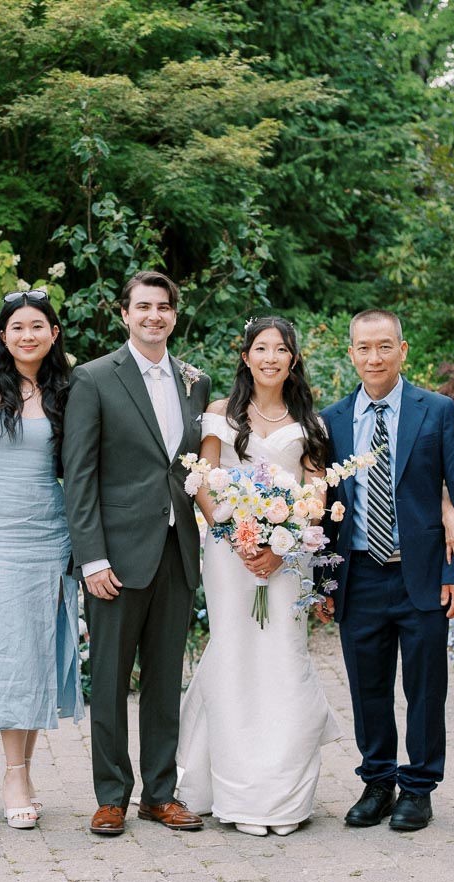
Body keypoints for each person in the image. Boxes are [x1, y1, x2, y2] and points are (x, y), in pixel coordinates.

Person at [175, 316, 341, 837]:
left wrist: (282, 537)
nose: (270, 357)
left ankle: (279, 797)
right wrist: (233, 527)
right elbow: (202, 479)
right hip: (229, 555)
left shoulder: (310, 423)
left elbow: (316, 494)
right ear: (245, 355)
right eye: (261, 348)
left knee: (283, 658)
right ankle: (233, 789)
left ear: (293, 359)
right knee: (235, 654)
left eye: (281, 349)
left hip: (288, 558)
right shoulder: (220, 414)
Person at [62, 270, 211, 836]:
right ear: (124, 313)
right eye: (143, 306)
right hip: (117, 557)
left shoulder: (195, 382)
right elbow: (79, 477)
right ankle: (111, 795)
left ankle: (161, 793)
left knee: (164, 679)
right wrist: (92, 558)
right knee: (109, 679)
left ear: (175, 314)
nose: (155, 316)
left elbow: (196, 466)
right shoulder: (94, 379)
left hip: (177, 548)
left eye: (164, 307)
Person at [319, 308, 454, 832]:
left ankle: (419, 787)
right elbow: (321, 508)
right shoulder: (333, 421)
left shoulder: (436, 411)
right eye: (364, 347)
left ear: (403, 350)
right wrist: (324, 581)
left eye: (384, 346)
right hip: (359, 574)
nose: (374, 357)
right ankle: (378, 781)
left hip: (424, 573)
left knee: (426, 687)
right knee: (368, 686)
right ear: (351, 354)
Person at [0, 290, 84, 830]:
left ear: (53, 334)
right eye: (17, 327)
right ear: (2, 336)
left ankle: (22, 768)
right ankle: (13, 774)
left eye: (38, 327)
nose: (28, 335)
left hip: (51, 526)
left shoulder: (69, 392)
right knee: (7, 646)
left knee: (35, 645)